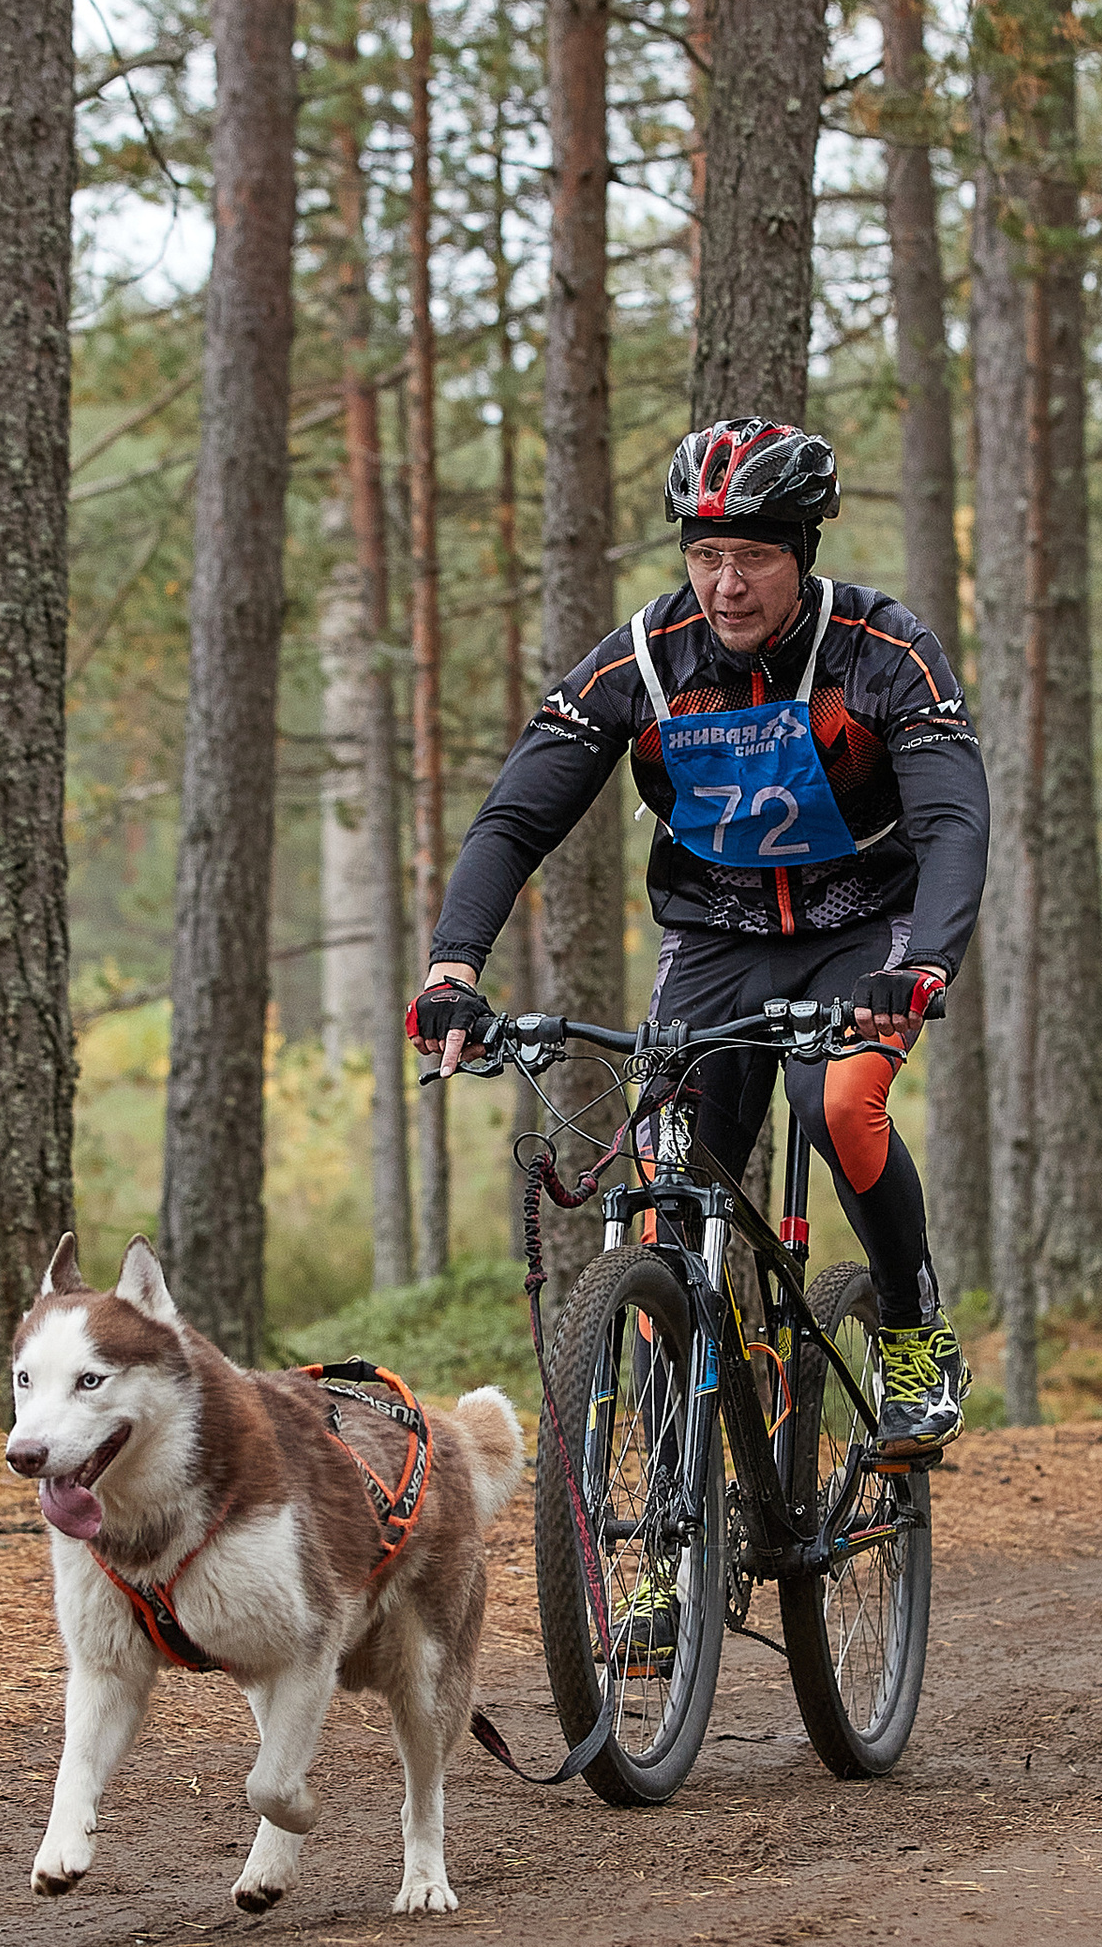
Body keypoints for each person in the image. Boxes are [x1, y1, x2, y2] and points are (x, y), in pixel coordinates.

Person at [408, 417, 987, 1458]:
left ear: (803, 554)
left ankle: (909, 1328)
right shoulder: (645, 656)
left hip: (863, 934)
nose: (726, 583)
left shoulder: (882, 649)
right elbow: (516, 816)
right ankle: (665, 1530)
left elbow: (952, 818)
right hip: (715, 941)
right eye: (706, 555)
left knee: (838, 1099)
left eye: (755, 556)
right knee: (664, 1195)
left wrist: (924, 961)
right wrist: (455, 962)